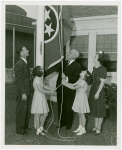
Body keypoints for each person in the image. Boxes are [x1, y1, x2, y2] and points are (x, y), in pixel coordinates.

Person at [56, 49, 82, 130]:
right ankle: (61, 123)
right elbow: (57, 69)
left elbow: (76, 78)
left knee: (68, 106)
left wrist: (66, 78)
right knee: (60, 105)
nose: (68, 53)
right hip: (60, 88)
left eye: (70, 53)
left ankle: (68, 124)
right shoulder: (64, 63)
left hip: (69, 89)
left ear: (74, 56)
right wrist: (59, 60)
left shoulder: (78, 66)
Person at [63, 70, 92, 135]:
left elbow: (74, 88)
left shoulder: (83, 82)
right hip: (78, 96)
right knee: (79, 113)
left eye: (83, 72)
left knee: (82, 114)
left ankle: (83, 129)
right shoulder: (80, 80)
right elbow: (73, 84)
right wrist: (65, 82)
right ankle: (80, 127)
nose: (82, 71)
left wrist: (65, 84)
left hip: (82, 97)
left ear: (86, 75)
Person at [31, 66, 55, 135]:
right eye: (41, 69)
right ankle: (38, 130)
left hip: (42, 96)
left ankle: (41, 127)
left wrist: (50, 88)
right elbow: (40, 90)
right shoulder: (36, 79)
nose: (43, 70)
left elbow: (43, 86)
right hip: (38, 97)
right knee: (38, 114)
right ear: (39, 71)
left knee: (45, 113)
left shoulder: (40, 78)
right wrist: (49, 92)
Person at [88, 51, 107, 135]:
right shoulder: (94, 68)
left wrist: (98, 93)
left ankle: (99, 127)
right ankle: (95, 126)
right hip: (93, 90)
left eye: (95, 56)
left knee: (100, 109)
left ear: (99, 59)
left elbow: (102, 82)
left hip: (99, 91)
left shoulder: (103, 69)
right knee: (95, 108)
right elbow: (92, 80)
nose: (94, 57)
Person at [15, 45, 32, 135]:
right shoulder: (19, 64)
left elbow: (26, 78)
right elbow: (18, 80)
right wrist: (23, 93)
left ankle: (24, 126)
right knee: (21, 110)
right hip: (23, 92)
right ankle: (20, 129)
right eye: (26, 50)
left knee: (26, 110)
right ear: (21, 53)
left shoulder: (25, 62)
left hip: (27, 91)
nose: (28, 50)